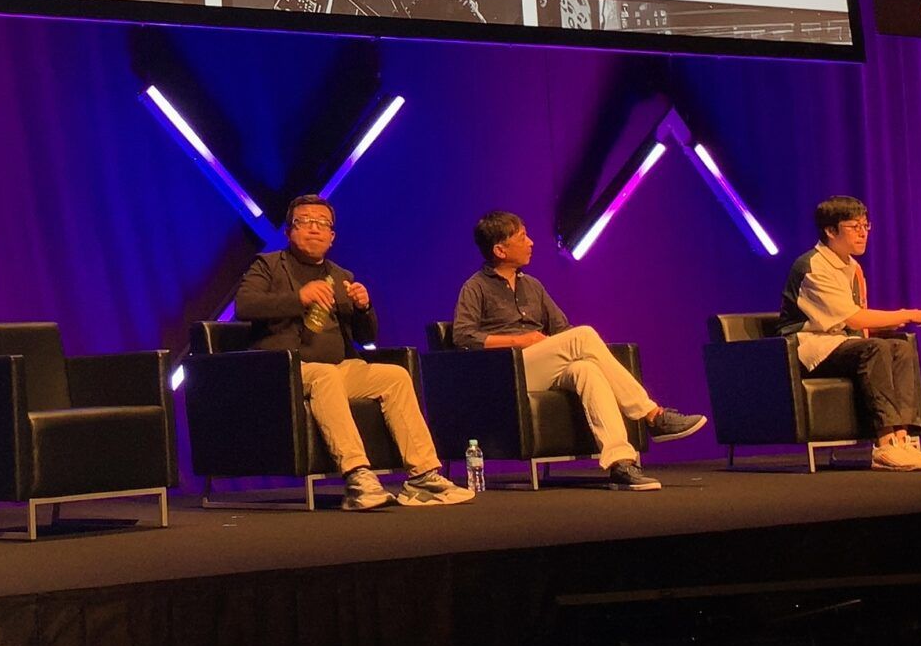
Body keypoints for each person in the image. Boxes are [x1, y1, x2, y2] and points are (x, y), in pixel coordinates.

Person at [233, 194, 473, 509]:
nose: (314, 228)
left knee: (394, 376)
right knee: (325, 376)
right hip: (286, 369)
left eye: (322, 223)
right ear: (290, 231)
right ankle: (358, 476)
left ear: (332, 236)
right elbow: (245, 305)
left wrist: (364, 307)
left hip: (339, 367)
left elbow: (366, 336)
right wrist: (299, 297)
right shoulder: (268, 265)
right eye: (305, 222)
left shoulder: (340, 276)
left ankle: (423, 476)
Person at [449, 210, 706, 491]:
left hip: (541, 368)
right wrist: (519, 340)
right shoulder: (475, 287)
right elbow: (464, 335)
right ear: (500, 250)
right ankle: (653, 416)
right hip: (506, 373)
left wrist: (557, 344)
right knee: (583, 336)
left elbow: (562, 330)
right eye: (522, 237)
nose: (531, 242)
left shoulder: (532, 286)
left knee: (588, 370)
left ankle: (621, 463)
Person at [778, 196, 921, 470]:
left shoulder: (853, 267)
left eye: (866, 225)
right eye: (854, 226)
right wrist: (909, 314)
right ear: (831, 231)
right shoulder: (814, 266)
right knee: (875, 348)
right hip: (811, 347)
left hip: (841, 341)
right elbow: (853, 317)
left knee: (898, 346)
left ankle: (903, 439)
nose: (863, 233)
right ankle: (885, 444)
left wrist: (893, 323)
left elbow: (856, 322)